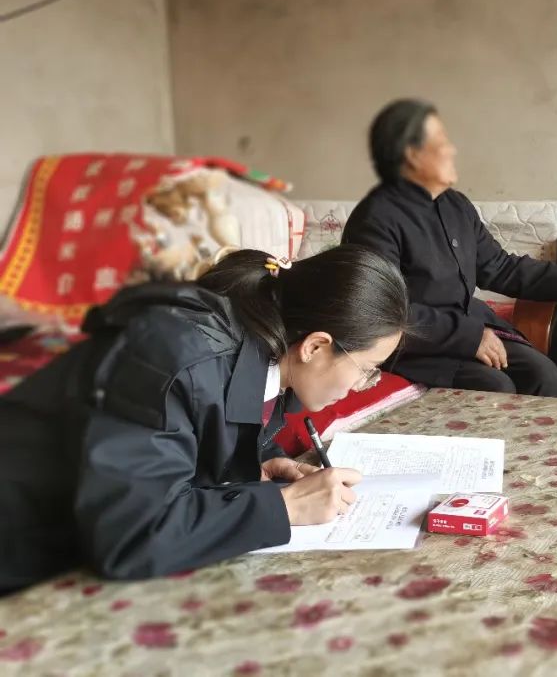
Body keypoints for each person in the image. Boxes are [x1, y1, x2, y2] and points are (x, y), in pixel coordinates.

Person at [0, 245, 408, 594]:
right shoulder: (171, 359)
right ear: (315, 346)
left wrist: (257, 460)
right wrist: (285, 506)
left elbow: (207, 424)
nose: (362, 385)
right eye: (366, 369)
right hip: (24, 543)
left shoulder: (269, 347)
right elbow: (132, 536)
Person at [343, 99, 557, 396]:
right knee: (495, 385)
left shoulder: (456, 205)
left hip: (466, 328)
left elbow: (497, 266)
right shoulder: (376, 217)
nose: (452, 150)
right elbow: (382, 311)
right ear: (412, 155)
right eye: (441, 141)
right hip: (415, 344)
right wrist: (470, 336)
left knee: (543, 373)